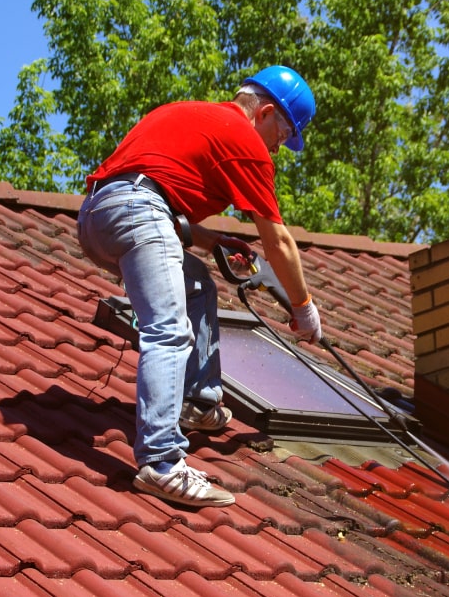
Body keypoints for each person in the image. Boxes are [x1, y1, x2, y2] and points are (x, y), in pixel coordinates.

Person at [76, 65, 323, 508]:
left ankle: (199, 402)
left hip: (96, 217)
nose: (278, 149)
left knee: (196, 285)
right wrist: (303, 307)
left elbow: (143, 193)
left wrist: (211, 240)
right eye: (282, 136)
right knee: (168, 329)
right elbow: (278, 239)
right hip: (139, 210)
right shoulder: (246, 140)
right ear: (266, 112)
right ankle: (162, 463)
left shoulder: (189, 113)